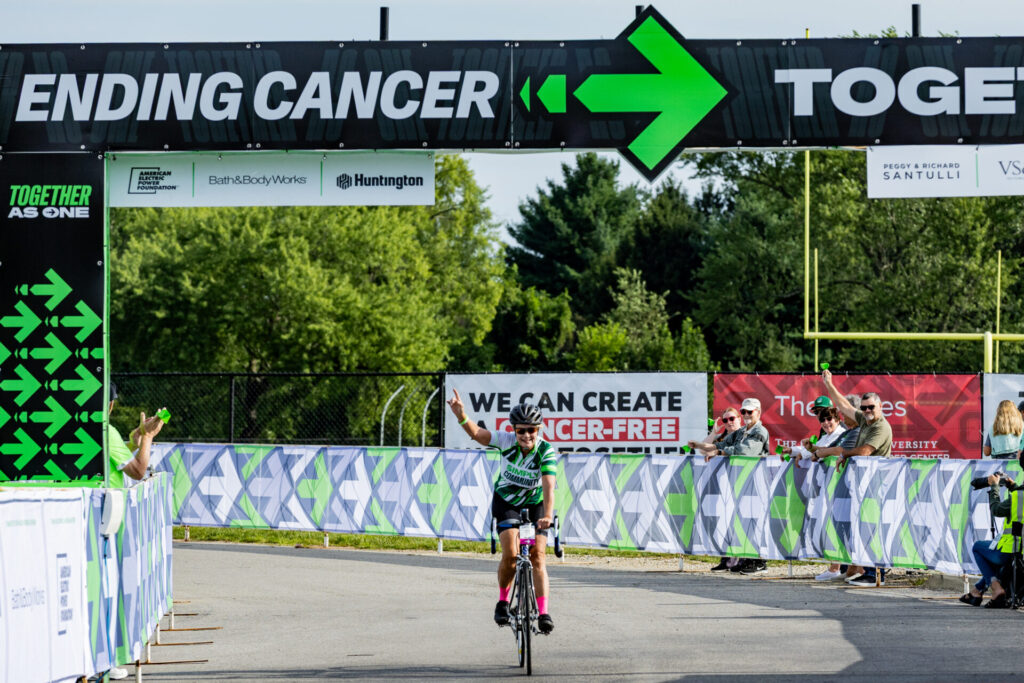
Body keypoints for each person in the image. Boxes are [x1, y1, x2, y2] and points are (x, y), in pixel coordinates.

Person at [446, 389, 557, 634]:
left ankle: (544, 612)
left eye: (532, 430)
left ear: (538, 430)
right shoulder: (505, 441)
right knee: (511, 554)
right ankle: (503, 601)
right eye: (521, 430)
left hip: (535, 503)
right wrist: (461, 416)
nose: (526, 435)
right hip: (507, 502)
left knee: (538, 557)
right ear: (514, 431)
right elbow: (477, 434)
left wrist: (547, 515)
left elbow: (549, 485)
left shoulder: (545, 451)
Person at [819, 371, 893, 585]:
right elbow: (843, 406)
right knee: (864, 527)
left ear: (880, 407)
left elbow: (865, 451)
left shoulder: (880, 426)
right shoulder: (865, 421)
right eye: (864, 407)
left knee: (872, 528)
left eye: (871, 407)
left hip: (876, 483)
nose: (867, 411)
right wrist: (830, 385)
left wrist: (844, 454)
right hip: (864, 484)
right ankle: (865, 570)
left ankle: (875, 575)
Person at [706, 398, 770, 574]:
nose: (747, 415)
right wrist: (713, 445)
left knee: (753, 521)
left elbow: (745, 452)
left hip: (755, 481)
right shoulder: (742, 432)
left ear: (758, 411)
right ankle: (741, 559)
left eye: (750, 412)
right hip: (740, 481)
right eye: (744, 411)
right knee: (740, 521)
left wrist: (719, 451)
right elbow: (715, 446)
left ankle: (758, 561)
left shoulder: (760, 431)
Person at [805, 394, 862, 582]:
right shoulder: (843, 432)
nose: (824, 419)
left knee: (845, 525)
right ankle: (844, 567)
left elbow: (838, 450)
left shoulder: (846, 431)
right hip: (837, 485)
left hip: (846, 483)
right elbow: (823, 449)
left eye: (828, 415)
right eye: (819, 415)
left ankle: (845, 567)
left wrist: (819, 452)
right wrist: (811, 451)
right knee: (839, 525)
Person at [962, 470, 1024, 608]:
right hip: (1020, 553)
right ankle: (977, 591)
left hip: (1013, 549)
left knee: (978, 547)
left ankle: (996, 589)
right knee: (996, 557)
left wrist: (995, 487)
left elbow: (997, 510)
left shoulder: (1019, 497)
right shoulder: (1018, 494)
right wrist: (1013, 486)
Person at [107, 382, 166, 488]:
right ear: (111, 405)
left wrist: (133, 445)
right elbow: (138, 471)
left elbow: (104, 456)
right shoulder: (107, 432)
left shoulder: (70, 427)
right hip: (103, 501)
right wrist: (147, 436)